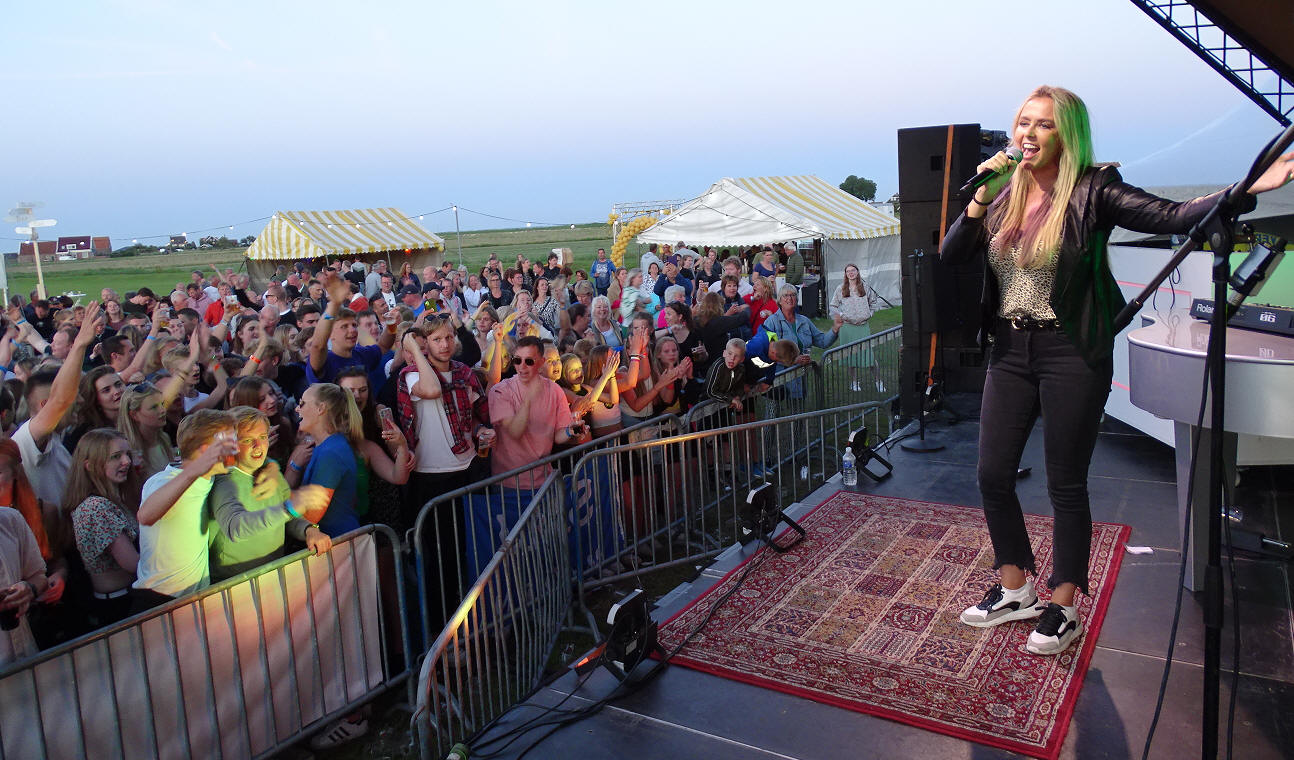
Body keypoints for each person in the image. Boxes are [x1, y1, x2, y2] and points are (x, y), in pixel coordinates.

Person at [943, 85, 1294, 656]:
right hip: (1009, 351)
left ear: (1067, 135)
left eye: (1044, 126)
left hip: (1069, 352)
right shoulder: (1004, 191)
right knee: (991, 474)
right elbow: (952, 254)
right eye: (1023, 122)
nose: (1028, 134)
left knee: (1065, 482)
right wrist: (979, 196)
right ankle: (1015, 586)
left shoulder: (1093, 189)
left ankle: (1062, 604)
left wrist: (1247, 187)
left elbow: (1172, 214)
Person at [131, 409, 240, 613]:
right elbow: (145, 516)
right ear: (205, 450)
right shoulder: (163, 481)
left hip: (193, 599)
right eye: (229, 442)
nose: (236, 448)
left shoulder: (214, 476)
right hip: (158, 601)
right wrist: (194, 469)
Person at [208, 407, 331, 581]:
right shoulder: (222, 481)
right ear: (230, 444)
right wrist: (290, 508)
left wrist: (309, 530)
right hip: (234, 585)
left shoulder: (269, 469)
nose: (258, 446)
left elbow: (289, 517)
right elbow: (236, 528)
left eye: (263, 437)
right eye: (247, 440)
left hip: (273, 576)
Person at [63, 429, 141, 628]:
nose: (126, 462)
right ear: (89, 465)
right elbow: (133, 564)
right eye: (116, 457)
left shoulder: (113, 499)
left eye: (127, 454)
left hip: (126, 598)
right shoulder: (96, 508)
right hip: (119, 606)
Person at [285, 383, 363, 537]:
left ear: (321, 409)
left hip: (338, 546)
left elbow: (311, 516)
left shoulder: (331, 453)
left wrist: (273, 506)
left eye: (302, 403)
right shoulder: (325, 446)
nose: (296, 409)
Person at [829, 263, 884, 392]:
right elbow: (833, 305)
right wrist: (841, 315)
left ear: (857, 272)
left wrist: (870, 313)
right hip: (847, 327)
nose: (851, 273)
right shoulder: (841, 288)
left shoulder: (865, 287)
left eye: (853, 270)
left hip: (863, 326)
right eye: (848, 271)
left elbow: (874, 302)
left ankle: (878, 381)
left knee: (869, 356)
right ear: (845, 274)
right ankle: (854, 382)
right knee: (850, 357)